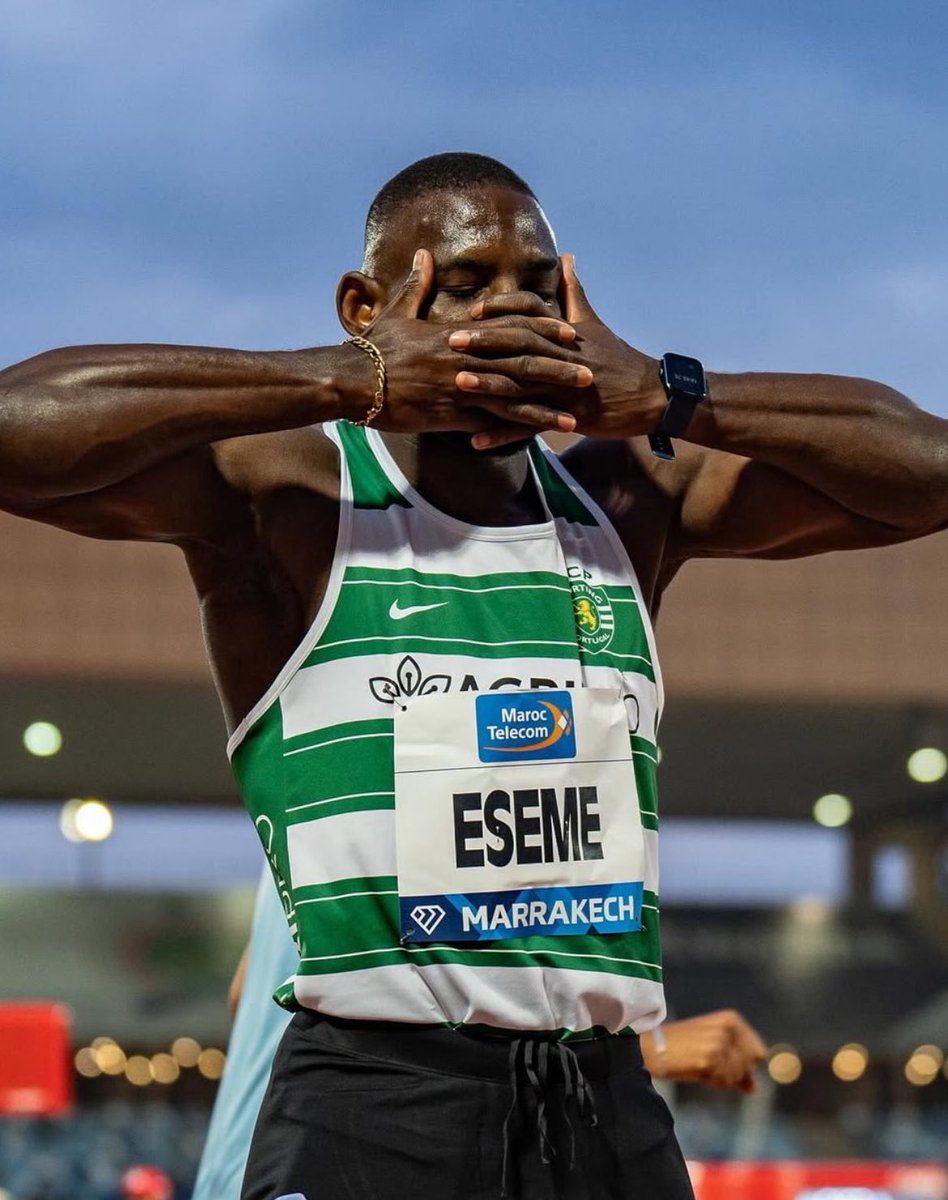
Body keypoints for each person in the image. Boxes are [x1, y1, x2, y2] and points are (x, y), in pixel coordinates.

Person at [1, 151, 944, 1199]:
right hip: (379, 1104)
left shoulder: (625, 503)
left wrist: (672, 396)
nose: (510, 311)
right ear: (370, 304)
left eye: (538, 286)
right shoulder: (294, 500)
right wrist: (344, 375)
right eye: (465, 284)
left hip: (603, 1110)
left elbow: (927, 475)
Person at [192, 867, 767, 1200]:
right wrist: (647, 1048)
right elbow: (473, 1016)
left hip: (251, 1162)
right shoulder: (443, 790)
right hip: (341, 1164)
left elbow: (248, 991)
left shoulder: (323, 820)